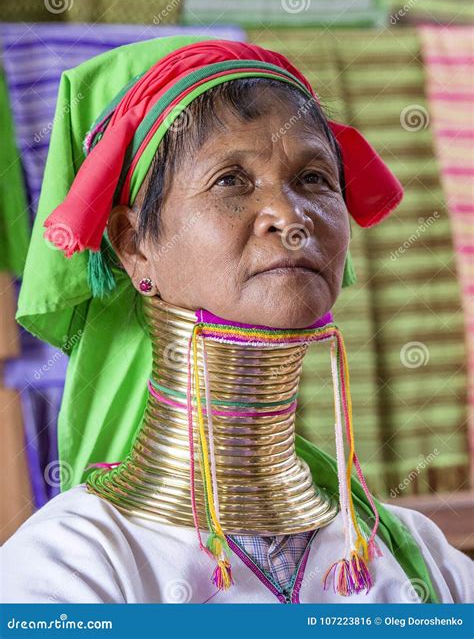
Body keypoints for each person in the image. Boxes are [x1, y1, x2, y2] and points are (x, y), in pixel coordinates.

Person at [1, 36, 472, 604]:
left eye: (315, 179)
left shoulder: (418, 556)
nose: (291, 218)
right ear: (134, 246)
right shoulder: (69, 566)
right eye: (231, 180)